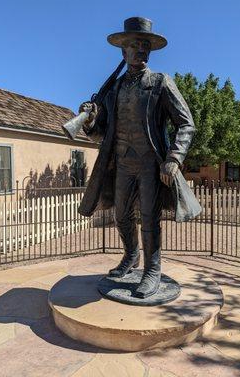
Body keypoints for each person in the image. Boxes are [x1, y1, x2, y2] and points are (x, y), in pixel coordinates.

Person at [78, 17, 201, 298]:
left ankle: (152, 269)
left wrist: (174, 157)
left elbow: (186, 123)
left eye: (145, 46)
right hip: (122, 163)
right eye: (135, 46)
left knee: (149, 217)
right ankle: (131, 257)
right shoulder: (115, 90)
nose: (141, 51)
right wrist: (89, 120)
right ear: (124, 53)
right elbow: (102, 133)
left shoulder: (160, 83)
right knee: (121, 215)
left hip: (150, 163)